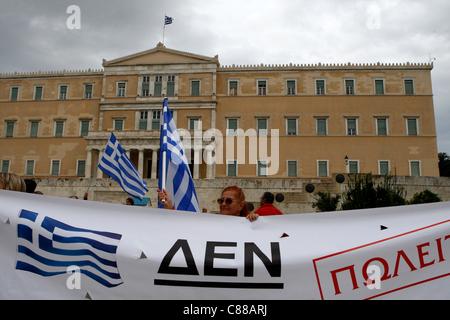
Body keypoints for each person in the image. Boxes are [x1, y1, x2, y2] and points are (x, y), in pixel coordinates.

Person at [157, 185, 255, 220]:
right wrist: (169, 207)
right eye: (221, 201)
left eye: (229, 201)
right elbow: (184, 228)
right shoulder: (211, 222)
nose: (223, 204)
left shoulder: (249, 224)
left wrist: (256, 221)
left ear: (240, 206)